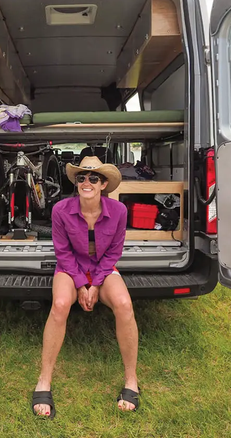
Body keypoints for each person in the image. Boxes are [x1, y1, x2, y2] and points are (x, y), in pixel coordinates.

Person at [32, 156, 140, 418]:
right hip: (71, 269)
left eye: (93, 178)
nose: (86, 182)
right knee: (59, 305)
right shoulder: (60, 210)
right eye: (81, 178)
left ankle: (131, 380)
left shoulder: (119, 211)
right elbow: (63, 252)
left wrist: (97, 282)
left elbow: (114, 252)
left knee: (125, 305)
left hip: (102, 268)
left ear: (104, 184)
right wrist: (82, 284)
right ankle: (44, 381)